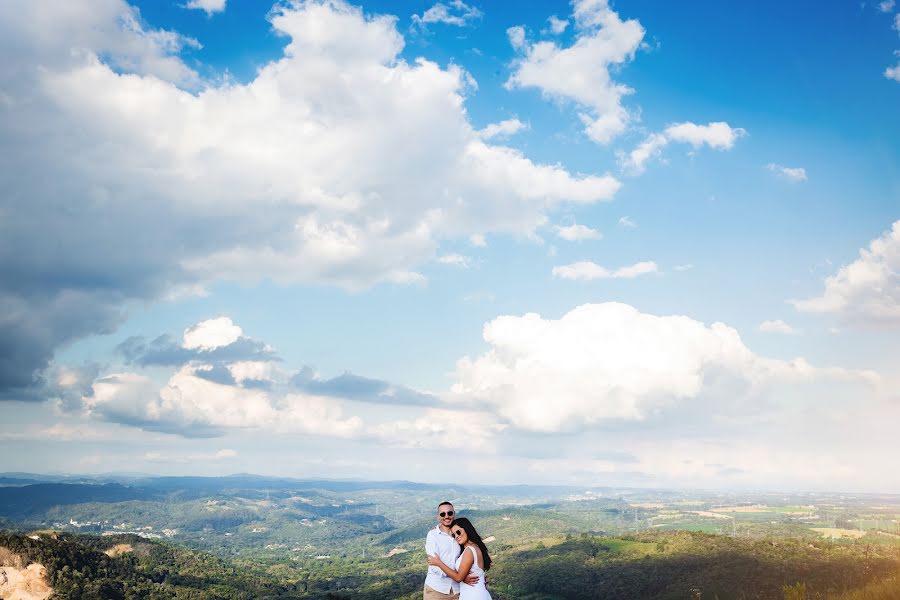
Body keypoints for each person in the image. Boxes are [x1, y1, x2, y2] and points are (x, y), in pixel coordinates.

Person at [424, 502, 479, 599]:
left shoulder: (459, 534)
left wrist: (480, 577)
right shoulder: (433, 535)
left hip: (458, 590)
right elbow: (435, 566)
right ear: (438, 517)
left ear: (454, 513)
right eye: (442, 514)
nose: (446, 516)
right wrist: (460, 577)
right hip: (436, 590)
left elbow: (471, 557)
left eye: (449, 513)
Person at [427, 517, 492, 600]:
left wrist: (438, 562)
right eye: (453, 535)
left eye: (458, 532)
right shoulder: (473, 547)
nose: (457, 536)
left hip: (473, 594)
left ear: (467, 529)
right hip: (473, 593)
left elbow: (458, 578)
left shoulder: (469, 550)